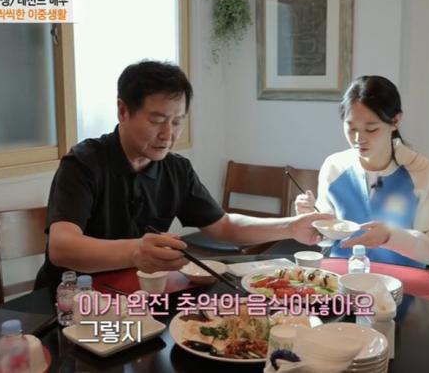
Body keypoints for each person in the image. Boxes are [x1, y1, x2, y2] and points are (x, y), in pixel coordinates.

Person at [35, 60, 331, 292]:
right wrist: (135, 251)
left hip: (138, 294)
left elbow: (224, 226)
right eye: (157, 120)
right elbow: (62, 247)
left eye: (177, 122)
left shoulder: (176, 169)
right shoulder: (84, 163)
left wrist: (291, 226)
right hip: (70, 300)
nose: (168, 134)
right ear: (123, 111)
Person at [295, 76, 429, 268]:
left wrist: (391, 237)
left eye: (371, 129)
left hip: (402, 283)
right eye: (351, 128)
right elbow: (327, 239)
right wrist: (312, 220)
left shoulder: (422, 172)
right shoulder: (334, 166)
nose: (359, 139)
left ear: (395, 120)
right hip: (340, 278)